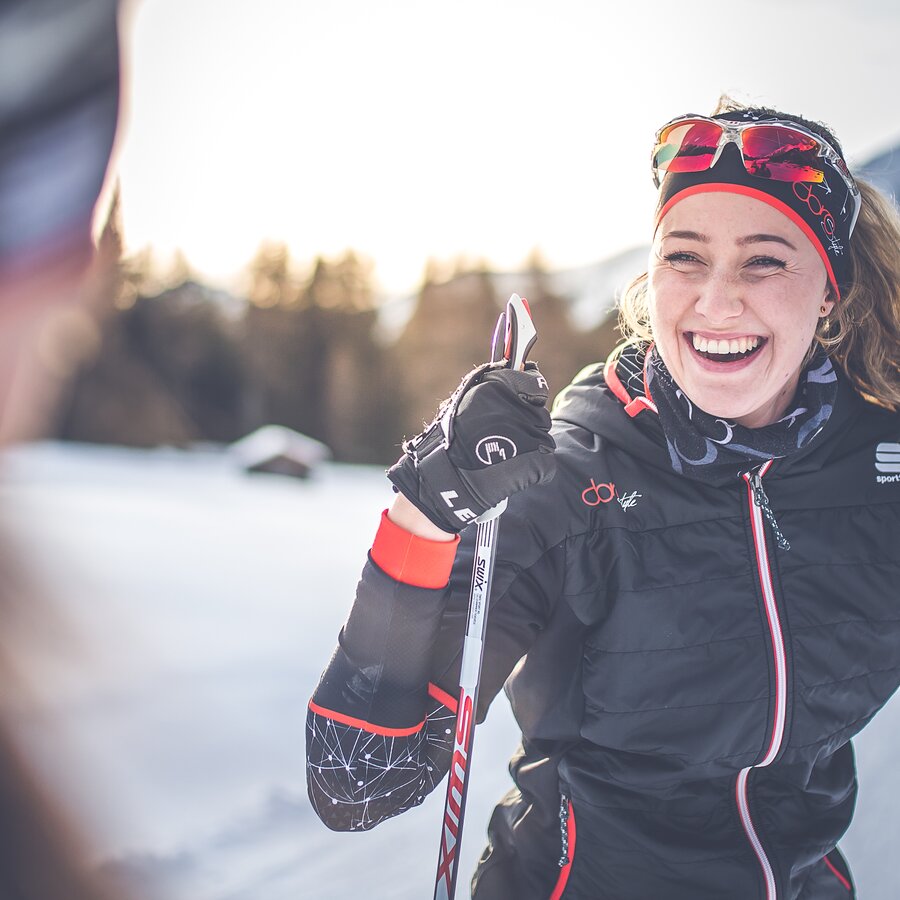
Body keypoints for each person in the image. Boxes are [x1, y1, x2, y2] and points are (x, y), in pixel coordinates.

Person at [306, 97, 900, 899]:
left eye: (765, 261)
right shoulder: (574, 479)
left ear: (829, 291)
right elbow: (356, 782)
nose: (716, 301)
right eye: (684, 257)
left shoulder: (877, 464)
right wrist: (425, 507)